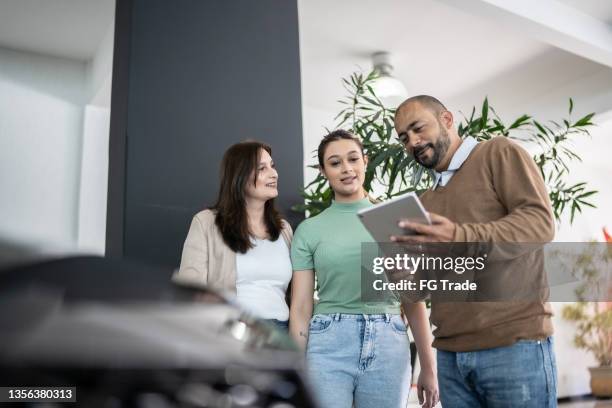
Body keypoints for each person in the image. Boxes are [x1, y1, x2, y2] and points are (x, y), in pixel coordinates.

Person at [392, 95, 557, 407]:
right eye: (404, 138)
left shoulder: (498, 152)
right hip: (451, 358)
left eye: (418, 128)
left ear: (447, 120)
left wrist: (458, 234)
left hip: (514, 345)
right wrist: (405, 276)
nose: (413, 142)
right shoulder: (424, 203)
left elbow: (540, 224)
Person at [289, 130, 439, 408]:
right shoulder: (309, 230)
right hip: (328, 343)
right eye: (335, 163)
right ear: (323, 171)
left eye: (353, 159)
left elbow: (413, 300)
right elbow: (300, 307)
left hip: (389, 342)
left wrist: (429, 368)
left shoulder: (396, 220)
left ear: (365, 161)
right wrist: (295, 366)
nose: (346, 169)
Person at [173, 140, 293, 330]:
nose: (274, 174)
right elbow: (190, 291)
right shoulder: (206, 223)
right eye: (262, 168)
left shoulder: (284, 229)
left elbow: (295, 296)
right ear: (240, 176)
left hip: (280, 334)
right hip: (230, 331)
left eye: (273, 166)